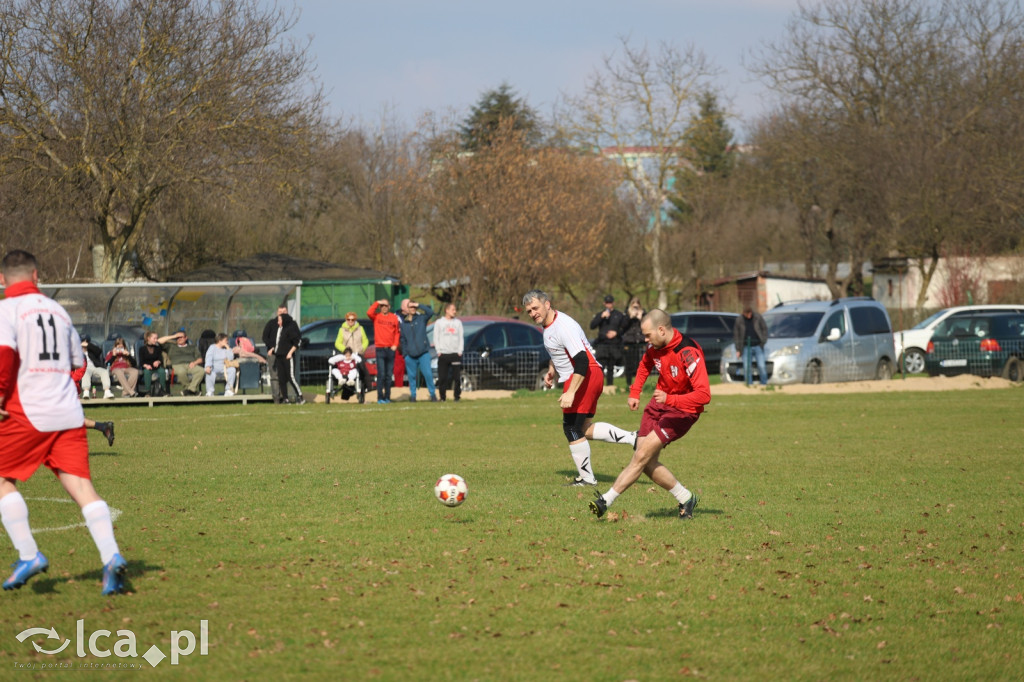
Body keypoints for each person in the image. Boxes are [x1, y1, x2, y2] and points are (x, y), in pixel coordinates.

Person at [0, 250, 127, 594]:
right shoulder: (58, 311)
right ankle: (112, 557)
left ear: (2, 280)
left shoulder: (6, 310)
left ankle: (28, 555)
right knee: (83, 489)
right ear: (36, 275)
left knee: (2, 480)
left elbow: (5, 356)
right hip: (67, 412)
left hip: (28, 411)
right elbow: (75, 359)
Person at [589, 309, 711, 521]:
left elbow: (703, 395)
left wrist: (671, 399)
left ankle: (605, 501)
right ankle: (686, 497)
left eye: (648, 335)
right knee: (644, 460)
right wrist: (635, 391)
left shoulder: (688, 352)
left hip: (681, 413)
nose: (645, 340)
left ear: (661, 330)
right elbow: (645, 365)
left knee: (641, 456)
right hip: (657, 406)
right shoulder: (655, 347)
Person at [522, 289, 637, 487]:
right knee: (583, 428)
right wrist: (552, 370)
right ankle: (633, 438)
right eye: (529, 311)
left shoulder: (562, 325)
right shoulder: (548, 325)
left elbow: (582, 360)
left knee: (571, 427)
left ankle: (587, 479)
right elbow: (559, 350)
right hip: (586, 375)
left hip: (585, 374)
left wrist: (571, 392)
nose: (533, 313)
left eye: (535, 308)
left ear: (547, 304)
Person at [399, 298, 437, 402]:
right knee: (411, 377)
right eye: (411, 306)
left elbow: (430, 312)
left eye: (414, 306)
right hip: (410, 355)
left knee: (428, 374)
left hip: (423, 353)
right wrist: (405, 354)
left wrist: (419, 304)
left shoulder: (421, 319)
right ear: (407, 308)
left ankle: (433, 395)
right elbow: (403, 340)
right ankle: (413, 396)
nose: (413, 308)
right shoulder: (403, 324)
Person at [367, 299, 400, 404]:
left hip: (390, 349)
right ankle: (380, 397)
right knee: (381, 374)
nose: (384, 307)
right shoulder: (376, 317)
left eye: (386, 305)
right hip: (380, 349)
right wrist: (377, 302)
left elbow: (397, 333)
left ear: (389, 307)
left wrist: (395, 345)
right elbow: (369, 312)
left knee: (389, 375)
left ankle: (387, 397)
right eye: (382, 306)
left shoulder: (394, 318)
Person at [590, 294, 626, 386]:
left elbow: (624, 328)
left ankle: (610, 386)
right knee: (600, 366)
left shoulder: (619, 315)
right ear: (604, 303)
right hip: (602, 344)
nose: (608, 305)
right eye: (607, 303)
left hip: (614, 344)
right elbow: (592, 326)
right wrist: (601, 317)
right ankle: (598, 385)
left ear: (613, 303)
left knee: (611, 366)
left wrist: (616, 333)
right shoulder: (600, 314)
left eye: (610, 303)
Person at [333, 313, 369, 403]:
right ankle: (346, 395)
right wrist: (345, 350)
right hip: (347, 355)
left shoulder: (360, 329)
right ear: (346, 320)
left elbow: (365, 341)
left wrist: (361, 349)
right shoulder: (342, 330)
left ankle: (367, 388)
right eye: (348, 319)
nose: (350, 321)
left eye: (352, 320)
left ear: (355, 320)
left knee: (361, 371)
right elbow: (337, 343)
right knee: (347, 371)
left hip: (357, 354)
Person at [272, 309, 304, 404]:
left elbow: (297, 342)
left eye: (279, 320)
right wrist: (274, 350)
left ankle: (300, 396)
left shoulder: (290, 328)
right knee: (281, 378)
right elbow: (278, 342)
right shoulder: (279, 329)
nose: (278, 322)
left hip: (287, 357)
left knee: (291, 377)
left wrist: (290, 353)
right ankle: (285, 398)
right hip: (279, 356)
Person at [433, 303, 463, 402]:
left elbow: (461, 337)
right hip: (443, 354)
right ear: (447, 310)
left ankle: (457, 397)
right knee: (442, 378)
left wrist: (460, 350)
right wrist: (438, 350)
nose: (455, 311)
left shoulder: (458, 323)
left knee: (457, 378)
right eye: (453, 309)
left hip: (455, 354)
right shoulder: (439, 322)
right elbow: (435, 337)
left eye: (455, 309)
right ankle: (442, 397)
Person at [159, 330, 205, 396]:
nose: (179, 339)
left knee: (201, 370)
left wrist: (194, 363)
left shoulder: (192, 347)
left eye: (181, 337)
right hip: (176, 365)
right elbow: (159, 341)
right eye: (178, 338)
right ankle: (190, 390)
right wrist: (174, 336)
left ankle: (190, 390)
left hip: (190, 364)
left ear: (186, 338)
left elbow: (200, 359)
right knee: (181, 372)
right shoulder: (171, 346)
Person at [733, 305, 768, 386]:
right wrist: (738, 349)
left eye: (750, 314)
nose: (748, 316)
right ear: (744, 313)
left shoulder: (757, 317)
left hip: (758, 346)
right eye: (747, 314)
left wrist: (763, 341)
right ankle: (749, 384)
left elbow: (764, 329)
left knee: (761, 366)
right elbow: (736, 335)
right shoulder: (739, 320)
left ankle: (764, 383)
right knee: (747, 367)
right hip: (745, 347)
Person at [262, 305, 288, 403]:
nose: (282, 313)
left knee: (285, 376)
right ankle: (276, 398)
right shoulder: (271, 323)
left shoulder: (290, 324)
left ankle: (285, 397)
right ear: (277, 313)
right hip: (273, 354)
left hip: (285, 354)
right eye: (280, 311)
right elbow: (265, 337)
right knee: (274, 376)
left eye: (284, 311)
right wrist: (272, 347)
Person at [621, 297, 646, 387]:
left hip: (640, 342)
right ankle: (629, 384)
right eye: (633, 305)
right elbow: (622, 326)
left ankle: (638, 385)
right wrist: (630, 317)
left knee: (640, 365)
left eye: (637, 305)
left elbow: (647, 325)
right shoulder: (626, 313)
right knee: (629, 364)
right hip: (629, 342)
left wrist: (640, 318)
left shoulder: (643, 313)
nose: (635, 307)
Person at [80, 335, 115, 399]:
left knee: (104, 372)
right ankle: (86, 392)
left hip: (95, 367)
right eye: (83, 342)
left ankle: (107, 391)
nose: (84, 343)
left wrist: (88, 346)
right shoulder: (77, 351)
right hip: (84, 368)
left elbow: (99, 351)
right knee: (85, 372)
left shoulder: (91, 350)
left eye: (86, 342)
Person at [138, 331, 168, 396]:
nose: (156, 340)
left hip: (156, 367)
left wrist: (158, 361)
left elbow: (160, 359)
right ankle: (147, 391)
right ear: (148, 338)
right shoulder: (142, 349)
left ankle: (162, 390)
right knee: (147, 372)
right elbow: (141, 361)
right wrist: (146, 365)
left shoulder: (157, 348)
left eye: (156, 338)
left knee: (162, 371)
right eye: (154, 338)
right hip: (148, 367)